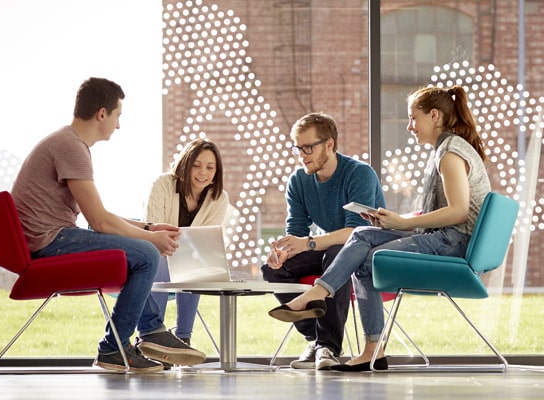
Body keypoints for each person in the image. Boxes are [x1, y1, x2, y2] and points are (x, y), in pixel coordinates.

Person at [268, 85, 491, 372]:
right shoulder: (444, 150)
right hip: (442, 236)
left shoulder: (450, 153)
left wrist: (404, 223)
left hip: (455, 242)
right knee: (362, 234)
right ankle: (356, 333)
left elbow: (458, 212)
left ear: (434, 116)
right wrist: (395, 220)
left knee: (370, 258)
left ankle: (361, 338)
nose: (409, 126)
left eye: (413, 118)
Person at [10, 77, 206, 373]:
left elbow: (97, 217)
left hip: (53, 237)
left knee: (138, 250)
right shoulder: (70, 147)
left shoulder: (67, 143)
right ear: (102, 113)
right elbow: (99, 221)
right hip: (49, 242)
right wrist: (150, 240)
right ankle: (119, 346)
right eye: (117, 116)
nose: (118, 125)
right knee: (146, 254)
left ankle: (147, 334)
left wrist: (149, 228)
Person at [261, 112, 385, 370]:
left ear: (329, 144)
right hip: (330, 247)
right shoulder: (298, 180)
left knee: (337, 252)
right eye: (298, 148)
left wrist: (307, 243)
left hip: (368, 251)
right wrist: (285, 251)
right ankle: (316, 339)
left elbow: (357, 231)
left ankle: (328, 346)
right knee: (272, 268)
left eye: (308, 147)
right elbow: (296, 228)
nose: (302, 154)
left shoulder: (359, 174)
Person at [145, 138, 229, 348]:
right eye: (197, 165)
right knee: (161, 259)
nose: (203, 173)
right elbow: (154, 228)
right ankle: (152, 335)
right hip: (155, 252)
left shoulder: (219, 198)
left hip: (190, 258)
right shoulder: (163, 184)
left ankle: (184, 337)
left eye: (210, 167)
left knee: (198, 267)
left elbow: (206, 242)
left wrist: (190, 249)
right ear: (185, 164)